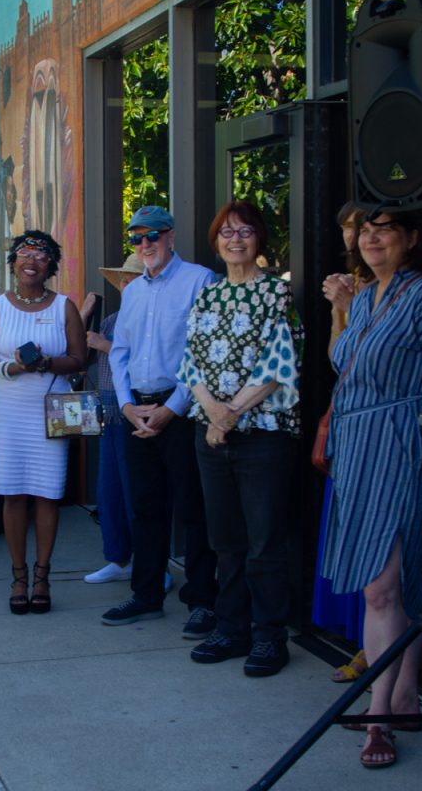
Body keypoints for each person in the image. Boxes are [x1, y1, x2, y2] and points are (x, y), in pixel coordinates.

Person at [319, 208, 422, 769]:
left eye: (385, 228)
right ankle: (399, 695)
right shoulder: (367, 296)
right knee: (384, 586)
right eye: (364, 229)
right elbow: (342, 362)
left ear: (412, 238)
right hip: (357, 447)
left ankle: (378, 715)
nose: (371, 237)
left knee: (386, 584)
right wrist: (339, 309)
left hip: (401, 443)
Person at [179, 201, 302, 676]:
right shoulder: (208, 297)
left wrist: (229, 413)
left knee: (264, 540)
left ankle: (270, 637)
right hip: (211, 433)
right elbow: (189, 362)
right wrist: (213, 412)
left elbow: (279, 365)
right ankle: (231, 628)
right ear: (215, 241)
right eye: (226, 232)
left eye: (245, 231)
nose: (235, 239)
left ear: (260, 239)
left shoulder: (277, 292)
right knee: (224, 539)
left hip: (264, 435)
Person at [101, 205, 219, 639]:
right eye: (136, 237)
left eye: (152, 236)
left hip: (182, 411)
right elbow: (119, 353)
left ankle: (204, 600)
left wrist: (172, 408)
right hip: (138, 411)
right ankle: (146, 594)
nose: (144, 244)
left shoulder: (200, 281)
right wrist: (130, 405)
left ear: (171, 236)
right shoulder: (132, 292)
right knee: (145, 508)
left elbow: (203, 352)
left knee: (194, 509)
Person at [0, 230, 85, 614]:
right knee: (13, 493)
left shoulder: (64, 307)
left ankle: (42, 576)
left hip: (50, 411)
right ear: (13, 262)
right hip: (8, 410)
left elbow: (79, 358)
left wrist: (45, 363)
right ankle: (18, 576)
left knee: (48, 493)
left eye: (40, 256)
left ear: (51, 265)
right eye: (24, 254)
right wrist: (14, 366)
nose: (31, 261)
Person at [314, 201, 373, 684]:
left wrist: (349, 304)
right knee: (348, 532)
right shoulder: (355, 284)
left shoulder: (400, 291)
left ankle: (376, 647)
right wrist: (339, 307)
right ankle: (361, 641)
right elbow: (339, 356)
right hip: (348, 419)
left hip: (381, 431)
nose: (354, 237)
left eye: (360, 226)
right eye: (350, 228)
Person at [79, 255, 142, 585]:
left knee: (137, 492)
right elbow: (78, 356)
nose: (128, 286)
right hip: (108, 410)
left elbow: (150, 359)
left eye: (134, 279)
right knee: (109, 490)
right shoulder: (111, 318)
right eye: (125, 281)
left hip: (135, 411)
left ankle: (149, 564)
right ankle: (118, 559)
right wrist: (85, 315)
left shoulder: (148, 318)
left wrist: (105, 345)